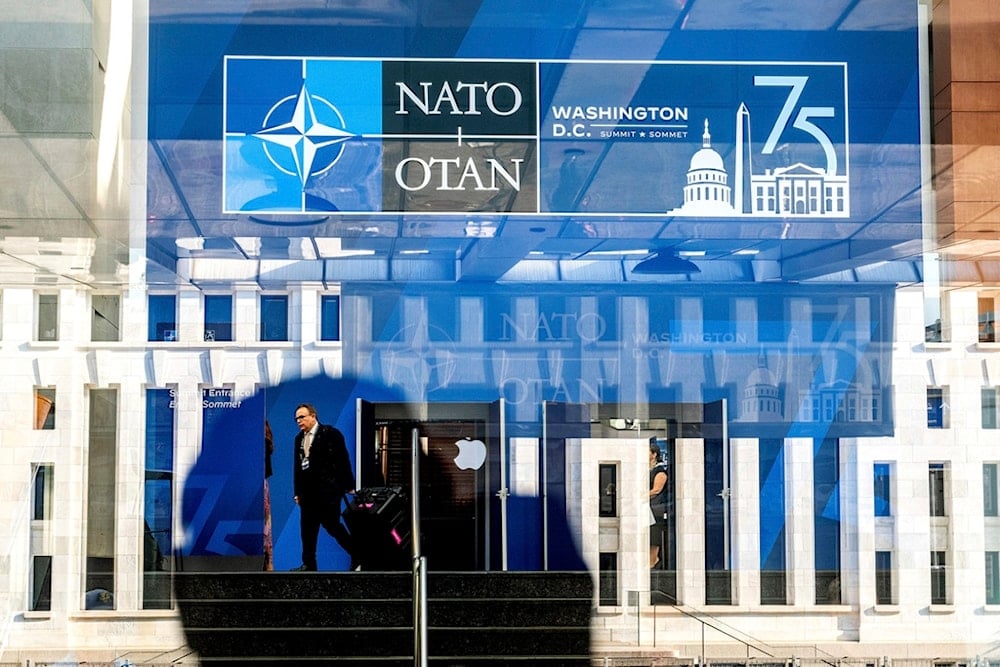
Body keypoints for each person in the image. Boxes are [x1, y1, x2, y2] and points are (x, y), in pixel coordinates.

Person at [291, 403, 357, 571]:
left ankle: (357, 553)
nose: (299, 421)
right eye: (297, 418)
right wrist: (297, 492)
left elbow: (343, 460)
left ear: (313, 416)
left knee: (332, 526)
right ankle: (309, 564)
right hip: (307, 494)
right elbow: (297, 468)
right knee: (307, 530)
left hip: (327, 492)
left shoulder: (330, 434)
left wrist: (348, 485)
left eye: (302, 417)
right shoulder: (299, 439)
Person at [648, 442, 669, 569]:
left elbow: (656, 490)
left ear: (654, 454)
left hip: (655, 511)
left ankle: (653, 562)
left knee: (653, 538)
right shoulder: (644, 470)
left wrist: (637, 496)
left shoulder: (660, 472)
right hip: (646, 509)